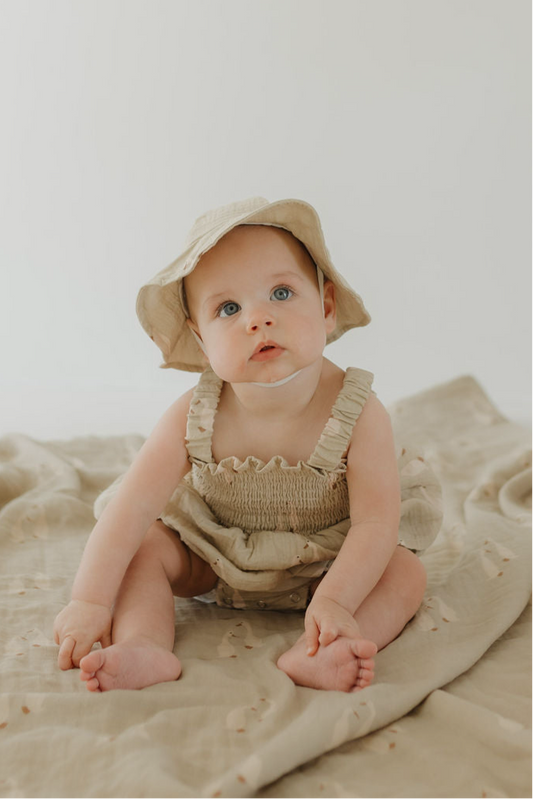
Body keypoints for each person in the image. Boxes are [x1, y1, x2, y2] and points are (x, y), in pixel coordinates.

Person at [53, 196, 442, 693]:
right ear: (200, 339)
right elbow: (129, 509)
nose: (257, 319)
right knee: (146, 546)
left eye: (281, 293)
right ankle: (144, 643)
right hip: (214, 559)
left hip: (330, 564)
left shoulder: (359, 411)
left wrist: (338, 601)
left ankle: (325, 649)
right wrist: (88, 601)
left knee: (405, 571)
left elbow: (374, 523)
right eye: (229, 308)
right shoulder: (192, 415)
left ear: (325, 308)